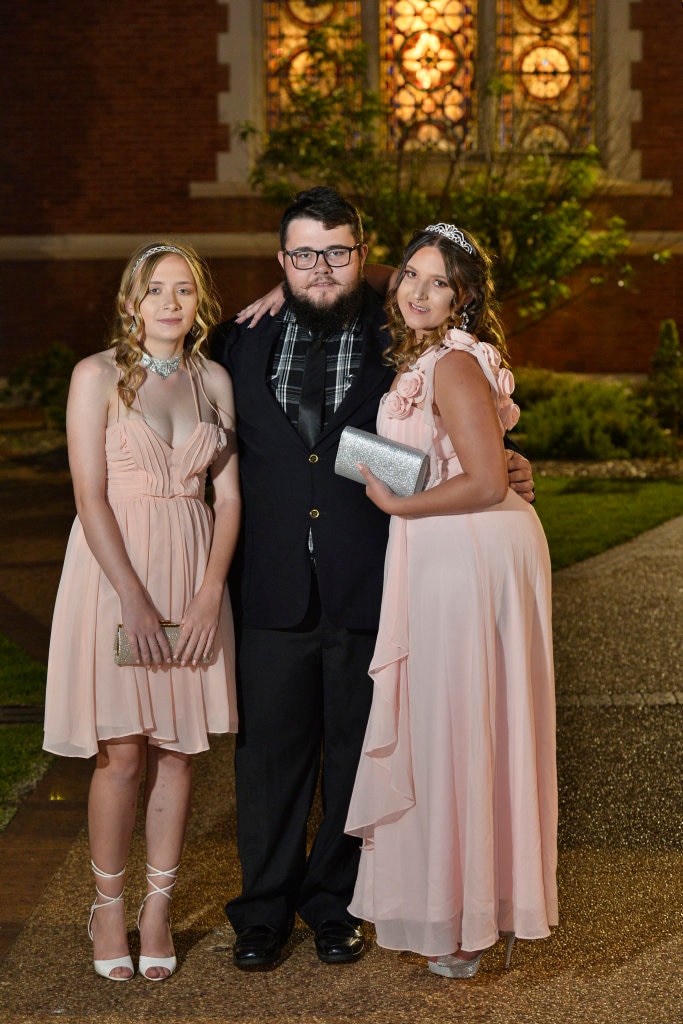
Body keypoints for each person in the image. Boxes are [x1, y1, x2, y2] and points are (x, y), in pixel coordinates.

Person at [211, 186, 536, 970]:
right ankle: (261, 913)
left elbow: (440, 295)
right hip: (273, 583)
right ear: (280, 260)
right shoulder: (235, 342)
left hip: (377, 577)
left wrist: (508, 464)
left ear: (363, 256)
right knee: (269, 760)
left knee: (361, 751)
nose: (321, 268)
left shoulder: (399, 328)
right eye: (301, 254)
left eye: (338, 252)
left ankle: (335, 905)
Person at [344, 223, 558, 979]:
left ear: (463, 298)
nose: (415, 291)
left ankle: (468, 917)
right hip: (455, 545)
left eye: (437, 282)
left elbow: (487, 482)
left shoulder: (454, 362)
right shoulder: (434, 356)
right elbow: (461, 462)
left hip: (464, 551)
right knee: (458, 724)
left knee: (459, 725)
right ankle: (471, 907)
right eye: (409, 275)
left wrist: (398, 508)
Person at [43, 241, 241, 982]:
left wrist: (211, 589)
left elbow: (231, 499)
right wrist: (130, 593)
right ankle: (106, 907)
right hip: (117, 577)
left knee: (180, 750)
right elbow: (89, 495)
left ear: (199, 304)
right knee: (123, 750)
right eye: (154, 289)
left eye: (183, 290)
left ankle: (156, 910)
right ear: (131, 300)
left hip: (192, 578)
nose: (168, 302)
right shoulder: (94, 376)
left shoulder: (213, 379)